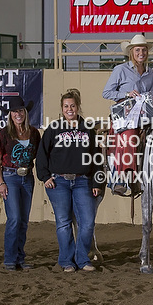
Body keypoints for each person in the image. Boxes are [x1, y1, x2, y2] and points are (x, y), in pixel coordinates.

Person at [36, 89, 103, 272]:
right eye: (66, 106)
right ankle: (66, 261)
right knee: (63, 222)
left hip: (83, 181)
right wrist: (45, 177)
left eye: (72, 105)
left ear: (78, 107)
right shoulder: (53, 129)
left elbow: (97, 158)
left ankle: (82, 259)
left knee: (87, 222)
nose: (69, 109)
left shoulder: (88, 130)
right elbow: (41, 155)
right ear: (62, 108)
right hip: (59, 182)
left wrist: (97, 182)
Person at [102, 34, 153, 196]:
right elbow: (106, 92)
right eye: (138, 50)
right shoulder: (120, 70)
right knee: (130, 136)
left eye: (144, 50)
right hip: (125, 116)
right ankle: (121, 177)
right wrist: (126, 94)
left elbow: (152, 95)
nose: (141, 53)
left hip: (145, 115)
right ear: (131, 52)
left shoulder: (151, 73)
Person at [0, 96, 41, 271]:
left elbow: (40, 156)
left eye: (20, 110)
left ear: (25, 113)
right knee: (14, 218)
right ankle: (10, 259)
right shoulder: (4, 133)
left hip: (27, 177)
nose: (17, 114)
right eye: (14, 111)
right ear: (10, 114)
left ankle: (20, 257)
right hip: (10, 176)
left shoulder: (34, 133)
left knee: (23, 220)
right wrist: (1, 182)